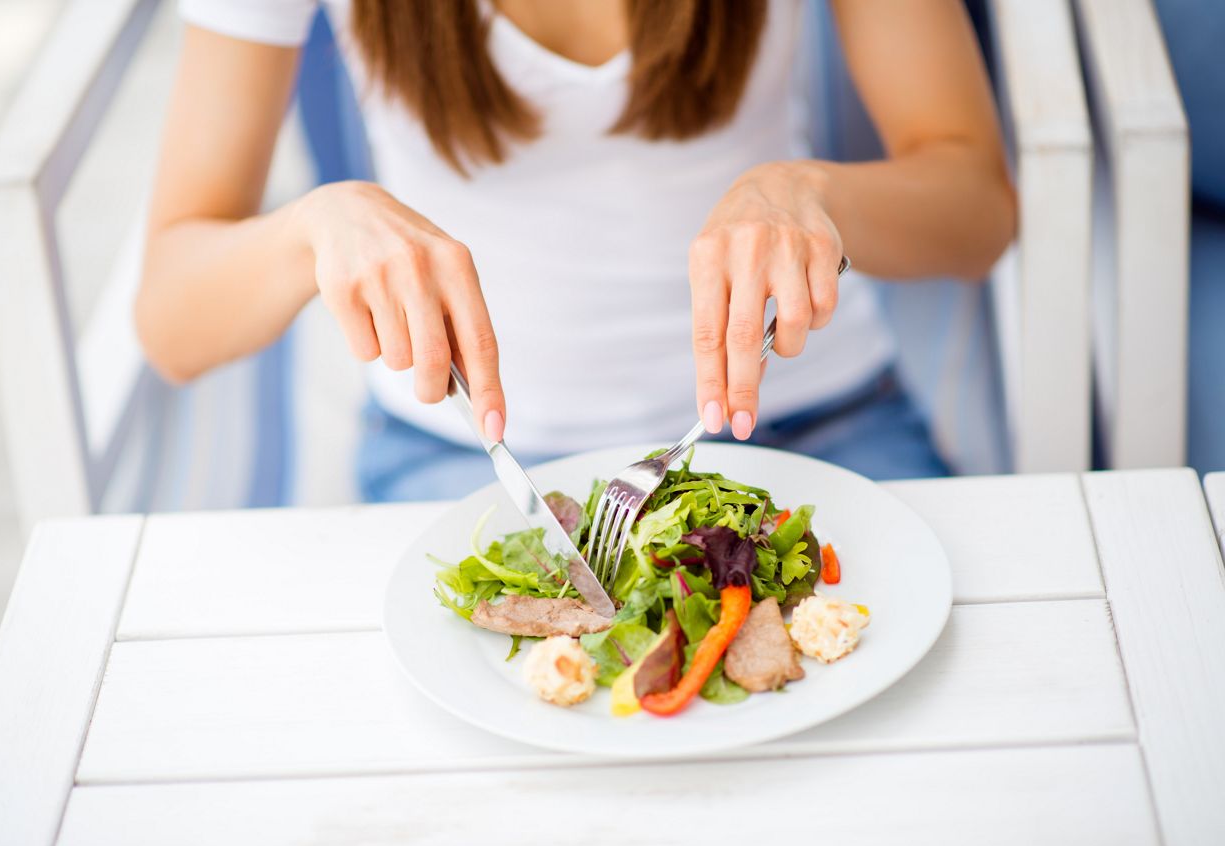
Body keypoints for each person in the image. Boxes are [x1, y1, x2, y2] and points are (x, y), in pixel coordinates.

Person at [136, 0, 1016, 501]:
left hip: (820, 427)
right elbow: (172, 321)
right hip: (472, 462)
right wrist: (313, 226)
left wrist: (818, 194)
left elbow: (977, 208)